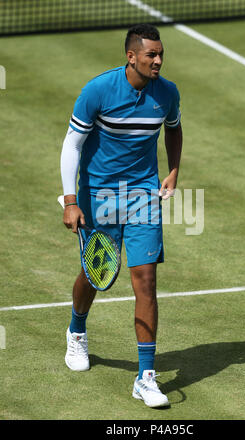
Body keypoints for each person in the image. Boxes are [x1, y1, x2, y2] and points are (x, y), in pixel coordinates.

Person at [60, 23, 182, 408]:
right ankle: (77, 330)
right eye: (151, 54)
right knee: (96, 272)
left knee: (145, 280)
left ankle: (145, 376)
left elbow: (174, 130)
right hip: (98, 195)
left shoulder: (167, 93)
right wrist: (70, 201)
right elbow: (72, 145)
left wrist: (174, 169)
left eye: (161, 53)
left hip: (143, 194)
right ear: (132, 57)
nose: (158, 60)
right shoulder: (97, 91)